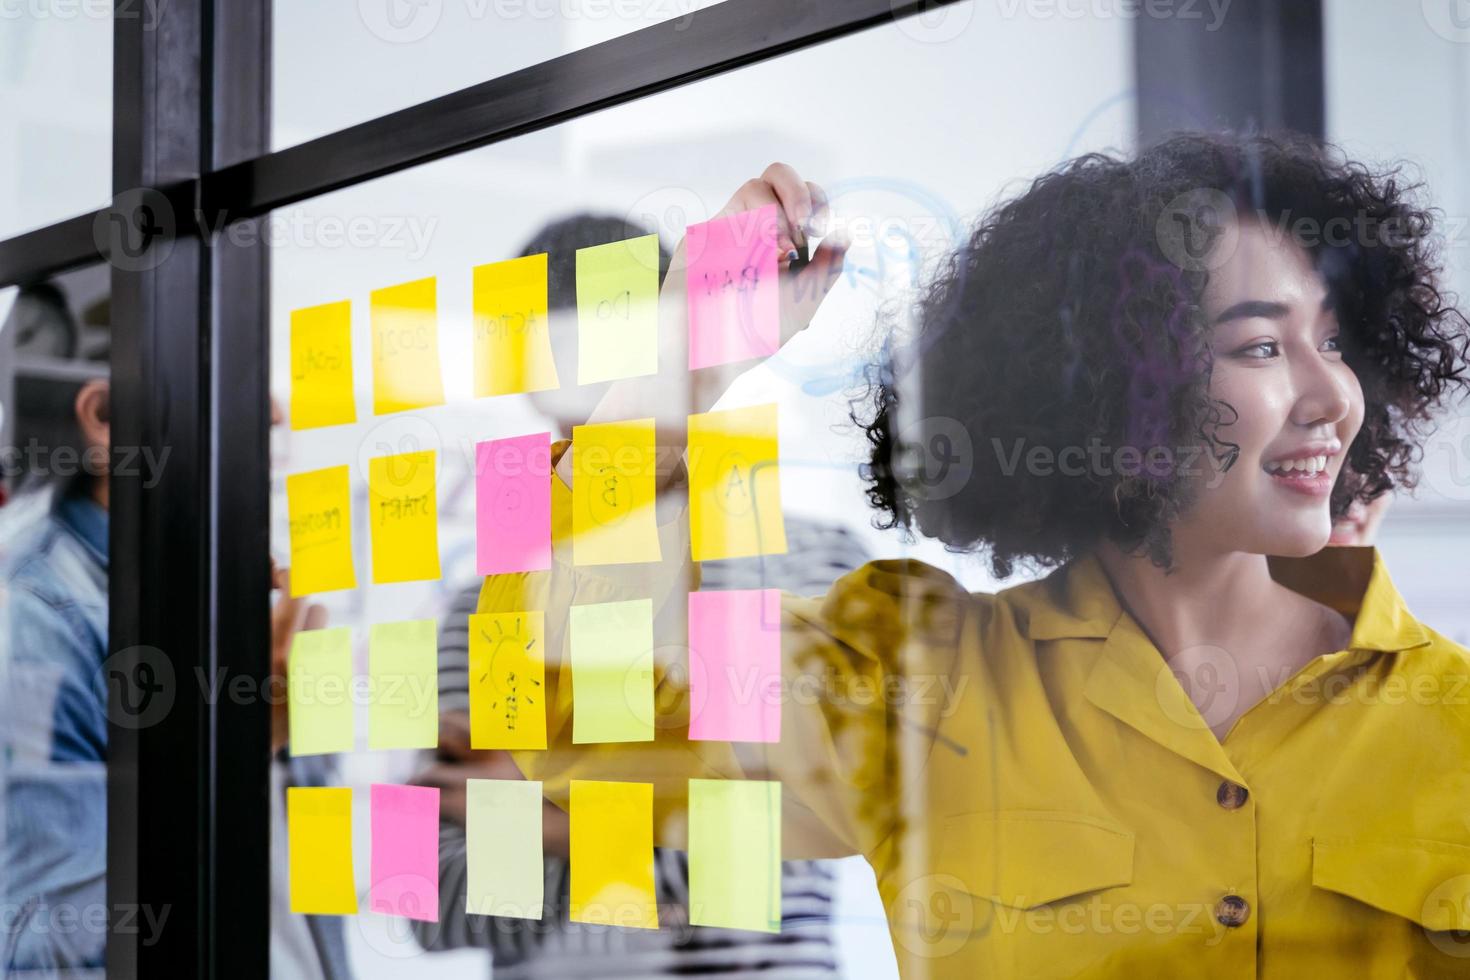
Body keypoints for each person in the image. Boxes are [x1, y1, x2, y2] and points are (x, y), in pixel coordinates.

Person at [473, 135, 1470, 977]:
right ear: (1117, 385)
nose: (1335, 395)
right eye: (1260, 345)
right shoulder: (915, 674)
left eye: (1336, 343)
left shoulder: (1451, 723)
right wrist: (682, 355)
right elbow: (567, 713)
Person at [414, 215, 867, 978]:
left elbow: (801, 840)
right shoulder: (482, 605)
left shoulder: (815, 565)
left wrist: (552, 821)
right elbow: (431, 902)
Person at [0, 376, 351, 979]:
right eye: (250, 390)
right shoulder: (35, 618)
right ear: (105, 416)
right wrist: (237, 748)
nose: (277, 419)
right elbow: (48, 954)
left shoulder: (221, 596)